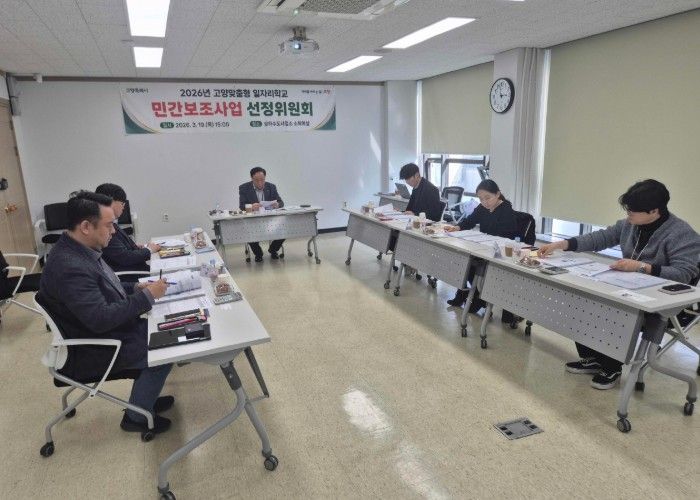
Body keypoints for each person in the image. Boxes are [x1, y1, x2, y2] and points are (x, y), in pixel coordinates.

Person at [537, 179, 700, 390]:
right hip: (628, 290)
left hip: (665, 303)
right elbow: (600, 238)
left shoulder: (681, 233)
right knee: (582, 299)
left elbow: (683, 274)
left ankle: (611, 367)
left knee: (611, 310)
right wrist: (563, 244)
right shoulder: (629, 225)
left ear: (654, 211)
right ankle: (592, 359)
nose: (628, 215)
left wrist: (642, 267)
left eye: (633, 211)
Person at [38, 191, 174, 434]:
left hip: (102, 331)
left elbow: (106, 287)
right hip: (94, 347)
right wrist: (147, 297)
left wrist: (136, 288)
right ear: (86, 226)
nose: (114, 231)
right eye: (109, 225)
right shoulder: (70, 266)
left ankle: (145, 399)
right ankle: (136, 417)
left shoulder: (80, 249)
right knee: (164, 347)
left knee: (164, 331)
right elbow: (101, 318)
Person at [444, 180, 519, 314]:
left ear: (497, 194)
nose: (484, 202)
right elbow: (470, 221)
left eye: (487, 198)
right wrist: (457, 227)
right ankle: (464, 292)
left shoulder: (506, 210)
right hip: (483, 248)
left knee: (471, 263)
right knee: (462, 258)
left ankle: (479, 297)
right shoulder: (482, 207)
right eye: (481, 199)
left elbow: (506, 236)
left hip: (498, 253)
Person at [95, 183, 160, 277]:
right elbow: (125, 257)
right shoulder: (103, 228)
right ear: (110, 201)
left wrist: (136, 247)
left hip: (137, 270)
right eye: (122, 203)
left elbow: (120, 250)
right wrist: (149, 250)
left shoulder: (112, 224)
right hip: (131, 276)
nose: (123, 207)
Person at [238, 167, 285, 262]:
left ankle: (273, 249)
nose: (260, 183)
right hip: (252, 220)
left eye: (262, 180)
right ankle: (258, 253)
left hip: (270, 219)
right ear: (251, 178)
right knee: (249, 233)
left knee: (285, 229)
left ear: (265, 178)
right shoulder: (244, 188)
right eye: (256, 180)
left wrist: (277, 204)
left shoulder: (271, 187)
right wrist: (251, 206)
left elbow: (281, 202)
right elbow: (242, 206)